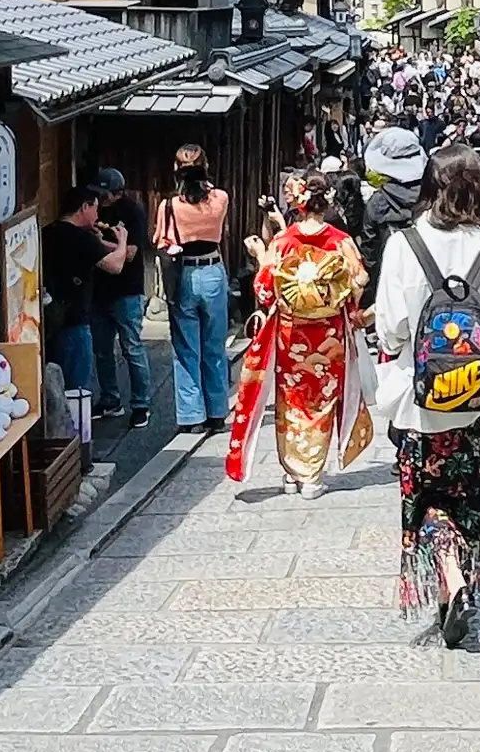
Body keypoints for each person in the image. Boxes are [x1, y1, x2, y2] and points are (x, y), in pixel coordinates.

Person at [368, 145, 480, 648]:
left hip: (420, 403)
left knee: (426, 498)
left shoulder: (404, 245)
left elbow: (389, 331)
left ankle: (449, 579)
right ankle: (460, 580)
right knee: (470, 499)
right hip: (479, 402)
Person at [225, 173, 373, 495]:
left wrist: (262, 257)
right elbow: (360, 279)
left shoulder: (283, 241)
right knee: (320, 400)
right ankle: (312, 476)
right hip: (329, 335)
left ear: (300, 202)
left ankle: (291, 473)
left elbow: (264, 290)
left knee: (291, 400)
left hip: (291, 335)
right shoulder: (340, 240)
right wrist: (344, 300)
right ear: (326, 201)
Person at [158, 143, 239, 432]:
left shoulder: (170, 206)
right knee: (214, 344)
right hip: (214, 270)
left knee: (186, 347)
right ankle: (217, 411)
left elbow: (163, 244)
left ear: (177, 170)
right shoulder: (220, 198)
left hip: (185, 275)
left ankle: (192, 416)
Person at [91, 165, 151, 429]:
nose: (101, 200)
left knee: (132, 348)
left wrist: (97, 242)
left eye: (107, 195)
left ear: (119, 193)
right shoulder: (92, 207)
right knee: (102, 350)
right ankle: (110, 400)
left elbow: (129, 254)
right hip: (98, 289)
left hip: (127, 289)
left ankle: (141, 404)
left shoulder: (132, 212)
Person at [43, 184, 109, 420]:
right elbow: (115, 264)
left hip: (49, 319)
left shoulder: (47, 232)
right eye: (95, 209)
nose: (98, 215)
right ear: (84, 207)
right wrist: (121, 242)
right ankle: (80, 449)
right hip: (76, 321)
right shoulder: (82, 238)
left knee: (54, 387)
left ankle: (61, 443)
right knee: (77, 391)